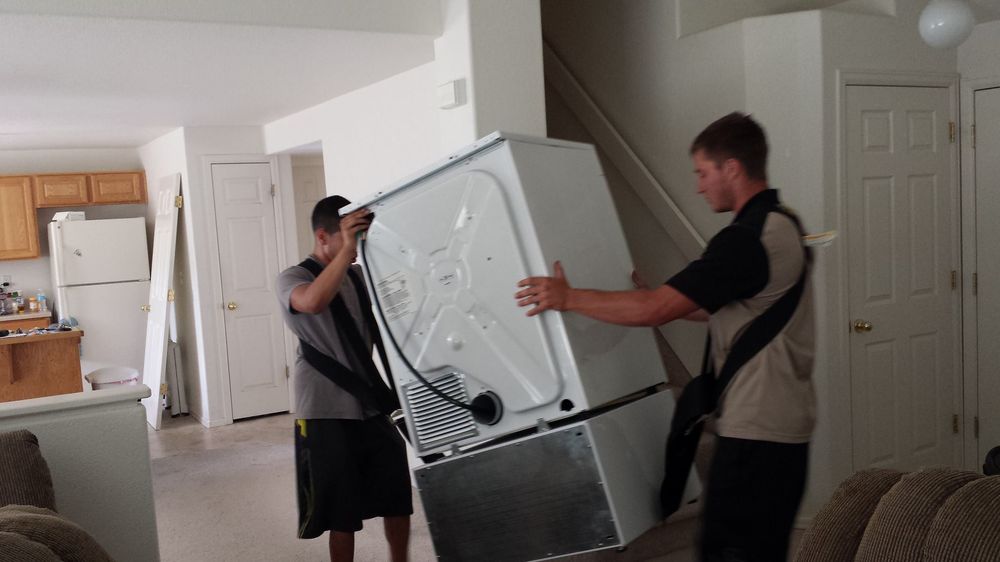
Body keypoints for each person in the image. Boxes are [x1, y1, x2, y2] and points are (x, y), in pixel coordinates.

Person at [515, 112, 815, 562]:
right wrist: (658, 301)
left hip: (758, 433)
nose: (698, 187)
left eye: (702, 172)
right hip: (781, 425)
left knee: (730, 552)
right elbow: (723, 308)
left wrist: (567, 297)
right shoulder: (783, 223)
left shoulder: (746, 239)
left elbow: (656, 308)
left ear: (732, 168)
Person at [277, 195, 412, 562]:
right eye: (348, 236)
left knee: (397, 498)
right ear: (323, 237)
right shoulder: (293, 277)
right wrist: (347, 253)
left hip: (371, 402)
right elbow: (312, 302)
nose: (355, 245)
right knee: (342, 513)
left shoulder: (357, 276)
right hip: (324, 408)